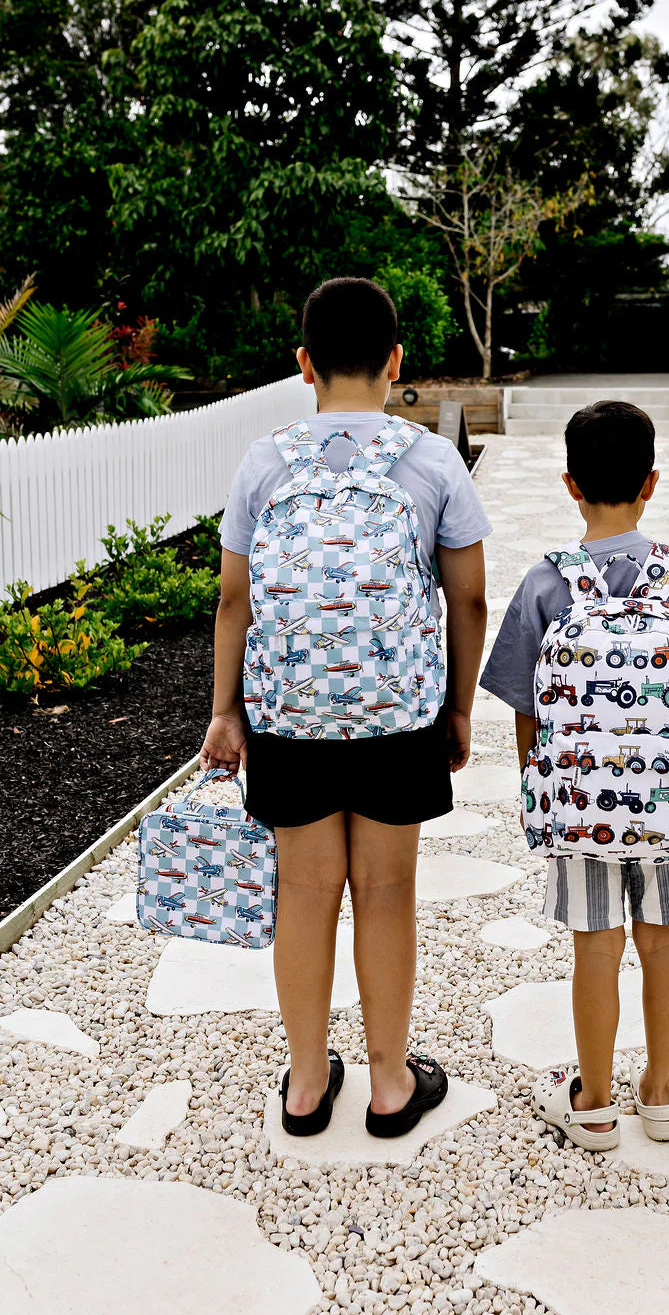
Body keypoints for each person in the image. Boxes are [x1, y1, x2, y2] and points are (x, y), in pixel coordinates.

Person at [201, 277, 490, 1138]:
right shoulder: (432, 460)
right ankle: (391, 1084)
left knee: (304, 892)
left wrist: (227, 713)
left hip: (290, 716)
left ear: (305, 364)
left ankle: (304, 1085)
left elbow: (233, 600)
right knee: (387, 891)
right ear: (396, 362)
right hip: (399, 715)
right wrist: (457, 708)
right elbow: (469, 598)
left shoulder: (265, 461)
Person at [480, 400, 669, 1149]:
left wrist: (538, 782)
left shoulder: (547, 583)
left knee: (596, 950)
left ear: (570, 484)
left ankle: (595, 1102)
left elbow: (525, 705)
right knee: (665, 944)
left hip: (582, 808)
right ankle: (661, 1095)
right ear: (652, 482)